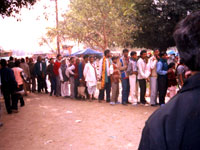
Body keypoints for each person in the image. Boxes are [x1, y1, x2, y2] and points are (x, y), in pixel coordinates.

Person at [139, 11, 200, 150]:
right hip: (157, 77)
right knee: (157, 91)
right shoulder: (156, 62)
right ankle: (156, 101)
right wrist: (165, 71)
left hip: (161, 77)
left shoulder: (162, 121)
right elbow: (157, 70)